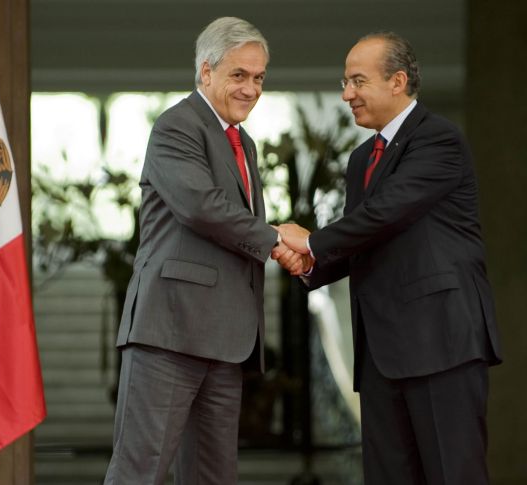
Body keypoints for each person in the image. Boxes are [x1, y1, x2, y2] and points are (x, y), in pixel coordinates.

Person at [275, 31, 503, 485]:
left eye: (357, 81)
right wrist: (311, 265)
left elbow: (385, 214)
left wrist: (312, 242)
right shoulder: (363, 158)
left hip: (441, 344)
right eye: (345, 82)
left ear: (397, 81)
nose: (346, 94)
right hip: (381, 354)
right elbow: (369, 239)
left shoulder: (439, 140)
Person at [103, 17, 303, 485]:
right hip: (170, 333)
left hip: (225, 340)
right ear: (206, 72)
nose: (252, 88)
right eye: (239, 75)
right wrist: (277, 239)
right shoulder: (177, 126)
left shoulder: (244, 143)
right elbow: (203, 208)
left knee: (213, 477)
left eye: (259, 78)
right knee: (139, 472)